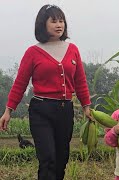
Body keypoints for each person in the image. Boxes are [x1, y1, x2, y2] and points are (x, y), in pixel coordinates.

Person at [0, 4, 92, 180]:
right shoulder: (33, 52)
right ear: (43, 24)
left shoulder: (72, 50)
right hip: (41, 111)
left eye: (62, 20)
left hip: (65, 110)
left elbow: (80, 81)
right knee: (47, 158)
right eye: (54, 21)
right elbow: (20, 83)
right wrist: (8, 110)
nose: (59, 25)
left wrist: (87, 106)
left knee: (61, 158)